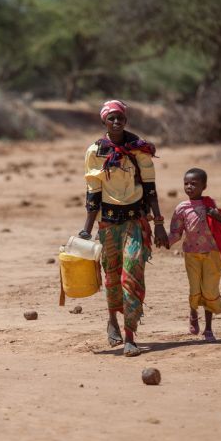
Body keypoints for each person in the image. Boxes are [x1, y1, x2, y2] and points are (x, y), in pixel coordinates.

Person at [79, 100, 169, 357]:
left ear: (126, 121)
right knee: (112, 276)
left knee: (132, 274)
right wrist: (86, 229)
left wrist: (159, 223)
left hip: (135, 221)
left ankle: (130, 335)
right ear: (104, 122)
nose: (117, 122)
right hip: (108, 223)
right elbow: (93, 193)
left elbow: (151, 189)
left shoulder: (139, 149)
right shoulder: (95, 151)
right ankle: (112, 320)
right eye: (112, 119)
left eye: (120, 118)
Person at [167, 168, 221, 341]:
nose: (189, 187)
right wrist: (162, 241)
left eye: (194, 183)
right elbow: (176, 233)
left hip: (212, 254)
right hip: (191, 254)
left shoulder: (209, 205)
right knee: (194, 288)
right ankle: (193, 312)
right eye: (186, 183)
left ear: (204, 186)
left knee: (209, 289)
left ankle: (208, 328)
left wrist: (217, 216)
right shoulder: (181, 208)